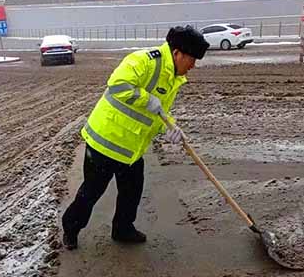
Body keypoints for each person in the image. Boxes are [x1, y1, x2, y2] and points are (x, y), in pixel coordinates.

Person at [62, 25, 210, 250]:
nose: (193, 65)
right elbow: (117, 86)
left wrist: (171, 129)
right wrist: (146, 99)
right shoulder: (144, 60)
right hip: (105, 141)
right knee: (92, 191)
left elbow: (160, 114)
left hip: (131, 148)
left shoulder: (174, 77)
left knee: (132, 191)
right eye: (192, 59)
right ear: (177, 53)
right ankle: (70, 229)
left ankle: (122, 229)